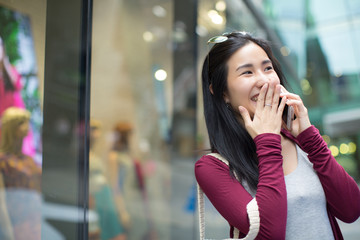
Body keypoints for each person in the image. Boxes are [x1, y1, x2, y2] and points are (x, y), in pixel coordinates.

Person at [195, 32, 360, 239]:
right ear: (221, 92)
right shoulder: (212, 168)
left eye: (267, 68)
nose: (264, 80)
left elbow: (352, 210)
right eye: (247, 72)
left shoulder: (299, 140)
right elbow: (270, 233)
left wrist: (311, 139)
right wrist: (267, 142)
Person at [0, 107, 41, 240]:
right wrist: (8, 233)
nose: (26, 127)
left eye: (27, 122)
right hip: (16, 223)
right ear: (11, 128)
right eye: (21, 123)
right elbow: (1, 203)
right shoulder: (3, 161)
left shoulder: (28, 160)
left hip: (35, 220)